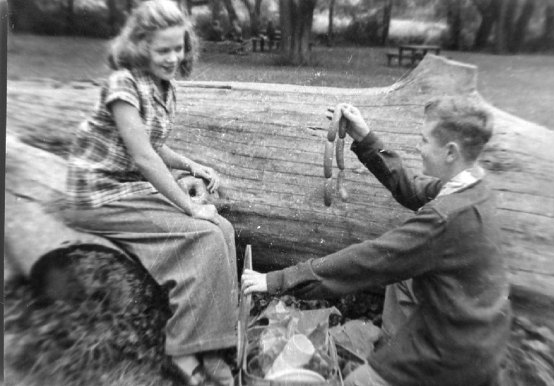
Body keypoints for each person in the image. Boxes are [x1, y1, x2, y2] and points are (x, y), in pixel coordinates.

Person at [242, 96, 512, 386]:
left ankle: (397, 370)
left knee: (357, 382)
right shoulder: (474, 186)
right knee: (403, 281)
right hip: (478, 334)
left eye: (424, 140)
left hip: (453, 356)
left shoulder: (445, 218)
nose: (418, 148)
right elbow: (411, 189)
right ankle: (393, 350)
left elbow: (371, 260)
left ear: (450, 152)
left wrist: (279, 280)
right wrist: (364, 137)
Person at [61, 2, 237, 385]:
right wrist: (189, 205)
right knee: (202, 235)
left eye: (179, 48)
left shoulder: (163, 86)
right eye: (163, 50)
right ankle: (184, 351)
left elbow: (156, 144)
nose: (174, 57)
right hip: (97, 195)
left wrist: (192, 166)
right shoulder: (123, 84)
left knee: (222, 229)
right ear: (140, 46)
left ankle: (215, 346)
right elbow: (142, 156)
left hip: (126, 189)